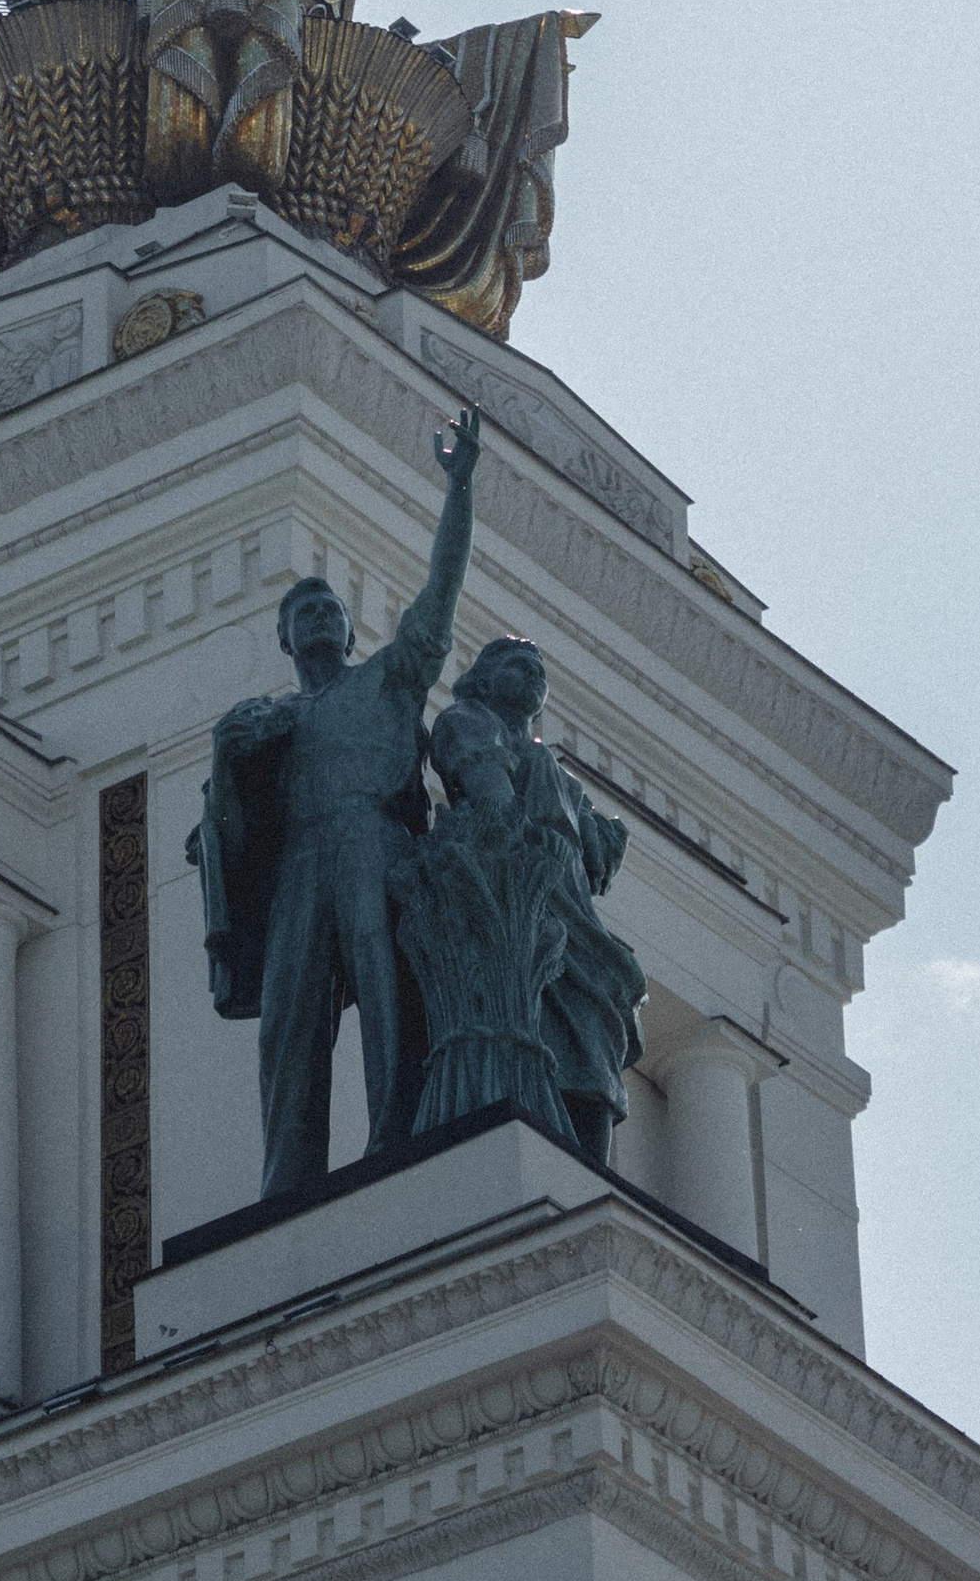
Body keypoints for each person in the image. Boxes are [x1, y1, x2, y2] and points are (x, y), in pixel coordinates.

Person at [189, 405, 480, 1204]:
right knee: (290, 1020)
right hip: (300, 863)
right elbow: (228, 831)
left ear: (350, 632)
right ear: (286, 640)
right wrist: (226, 752)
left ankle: (398, 1132)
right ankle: (287, 1180)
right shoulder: (274, 723)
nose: (317, 616)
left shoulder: (384, 680)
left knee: (385, 986)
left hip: (371, 838)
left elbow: (440, 592)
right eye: (302, 612)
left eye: (329, 609)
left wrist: (459, 490)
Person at [426, 634, 645, 1168]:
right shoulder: (468, 721)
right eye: (515, 663)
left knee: (600, 1012)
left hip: (571, 909)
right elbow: (491, 794)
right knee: (545, 1013)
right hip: (520, 897)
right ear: (480, 678)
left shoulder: (558, 774)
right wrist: (532, 841)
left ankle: (590, 1170)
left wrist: (606, 837)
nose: (531, 674)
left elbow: (596, 858)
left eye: (538, 670)